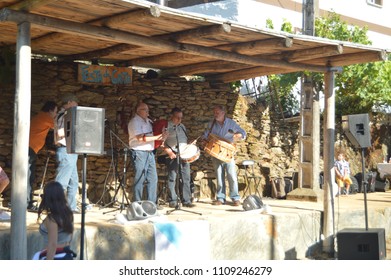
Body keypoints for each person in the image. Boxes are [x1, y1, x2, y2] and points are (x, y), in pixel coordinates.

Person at [203, 105, 246, 206]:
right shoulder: (212, 124)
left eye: (217, 113)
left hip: (228, 153)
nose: (215, 115)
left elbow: (243, 132)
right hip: (216, 153)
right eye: (214, 113)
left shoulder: (231, 123)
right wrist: (204, 140)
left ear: (223, 113)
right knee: (219, 175)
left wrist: (238, 135)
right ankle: (220, 198)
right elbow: (205, 135)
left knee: (232, 175)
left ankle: (235, 198)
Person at [128, 102, 168, 205]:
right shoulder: (134, 122)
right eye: (145, 109)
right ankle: (137, 203)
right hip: (139, 151)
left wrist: (163, 135)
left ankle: (152, 204)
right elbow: (140, 138)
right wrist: (157, 137)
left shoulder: (149, 121)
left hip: (149, 152)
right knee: (140, 178)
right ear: (138, 111)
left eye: (147, 109)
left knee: (153, 178)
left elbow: (154, 133)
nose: (147, 111)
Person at [33, 181, 76, 260]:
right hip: (67, 253)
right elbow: (70, 237)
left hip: (55, 255)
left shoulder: (51, 219)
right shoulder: (69, 214)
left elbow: (53, 244)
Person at [162, 107, 195, 208]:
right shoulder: (166, 126)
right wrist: (169, 152)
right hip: (173, 154)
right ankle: (173, 200)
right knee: (172, 177)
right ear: (172, 116)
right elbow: (161, 143)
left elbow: (184, 140)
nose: (179, 120)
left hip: (184, 154)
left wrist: (190, 144)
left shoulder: (182, 126)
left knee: (186, 177)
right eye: (177, 118)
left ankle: (186, 200)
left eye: (181, 118)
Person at [28, 101, 58, 211]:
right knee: (27, 176)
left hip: (31, 149)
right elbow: (58, 128)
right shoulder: (46, 117)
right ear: (50, 111)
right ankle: (26, 202)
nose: (56, 113)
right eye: (55, 111)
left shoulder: (41, 116)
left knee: (29, 175)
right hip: (29, 148)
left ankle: (27, 201)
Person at [54, 94, 80, 213]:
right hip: (65, 149)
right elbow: (60, 133)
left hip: (70, 150)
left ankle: (71, 207)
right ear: (69, 102)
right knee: (62, 181)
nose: (77, 105)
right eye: (75, 103)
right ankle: (56, 208)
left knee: (73, 181)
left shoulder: (65, 115)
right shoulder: (64, 115)